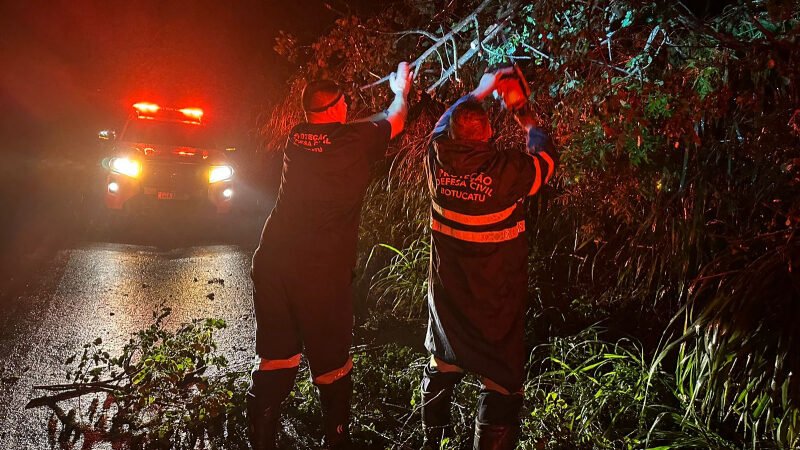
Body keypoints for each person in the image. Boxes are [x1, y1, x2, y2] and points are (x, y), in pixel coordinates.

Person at [247, 62, 413, 450]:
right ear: (337, 108)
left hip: (273, 262)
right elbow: (396, 120)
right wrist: (400, 90)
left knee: (277, 361)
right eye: (345, 102)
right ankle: (336, 441)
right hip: (320, 272)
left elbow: (356, 128)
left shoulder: (297, 136)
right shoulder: (353, 142)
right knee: (333, 368)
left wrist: (379, 109)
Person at [420, 67, 558, 449]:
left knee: (442, 363)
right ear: (490, 136)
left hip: (449, 296)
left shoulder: (436, 159)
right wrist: (522, 110)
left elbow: (441, 125)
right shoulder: (507, 172)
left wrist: (479, 92)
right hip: (495, 301)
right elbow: (545, 156)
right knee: (502, 384)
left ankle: (435, 443)